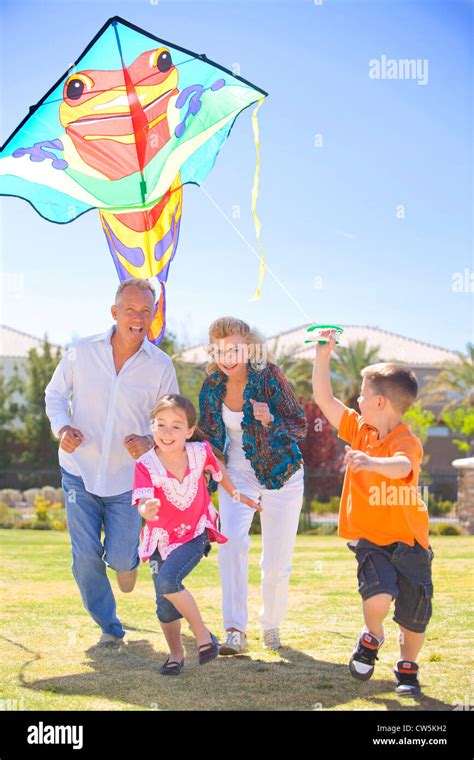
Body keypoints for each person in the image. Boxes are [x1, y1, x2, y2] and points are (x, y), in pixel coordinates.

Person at [45, 278, 179, 647]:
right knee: (85, 556)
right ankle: (109, 626)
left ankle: (128, 564)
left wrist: (151, 440)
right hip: (79, 471)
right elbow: (55, 393)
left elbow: (173, 417)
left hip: (128, 479)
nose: (138, 318)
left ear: (152, 316)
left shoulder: (160, 366)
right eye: (131, 310)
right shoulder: (82, 352)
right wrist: (62, 426)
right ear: (115, 312)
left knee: (121, 558)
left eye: (146, 312)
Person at [312, 329, 433, 697]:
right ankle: (372, 636)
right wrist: (323, 354)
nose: (357, 399)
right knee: (377, 598)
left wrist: (369, 461)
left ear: (379, 402)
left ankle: (406, 666)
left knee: (415, 616)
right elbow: (324, 398)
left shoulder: (406, 443)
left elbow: (400, 467)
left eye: (363, 394)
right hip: (373, 542)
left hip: (411, 544)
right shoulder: (358, 429)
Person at [199, 317, 308, 654]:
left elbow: (299, 425)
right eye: (218, 350)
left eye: (233, 348)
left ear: (249, 347)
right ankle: (235, 630)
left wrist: (270, 419)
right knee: (230, 542)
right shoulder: (212, 385)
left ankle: (271, 625)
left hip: (280, 473)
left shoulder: (269, 377)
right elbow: (207, 438)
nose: (226, 356)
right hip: (237, 472)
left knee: (276, 560)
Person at [132, 393, 261, 675]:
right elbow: (141, 502)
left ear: (189, 431)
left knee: (169, 579)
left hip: (195, 533)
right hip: (159, 541)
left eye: (176, 426)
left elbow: (220, 472)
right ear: (151, 426)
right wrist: (147, 509)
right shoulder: (144, 464)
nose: (167, 432)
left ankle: (203, 636)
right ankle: (176, 655)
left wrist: (237, 495)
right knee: (164, 604)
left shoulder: (200, 452)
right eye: (160, 424)